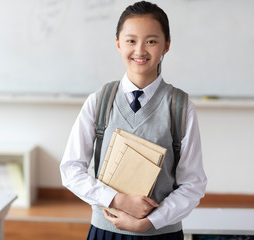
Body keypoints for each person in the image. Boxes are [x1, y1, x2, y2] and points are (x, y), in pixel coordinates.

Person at [60, 1, 207, 239]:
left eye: (151, 41)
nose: (140, 50)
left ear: (166, 45)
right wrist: (117, 200)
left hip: (161, 234)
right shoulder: (98, 101)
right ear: (118, 44)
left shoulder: (180, 107)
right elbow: (70, 170)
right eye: (130, 41)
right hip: (106, 231)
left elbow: (193, 184)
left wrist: (151, 221)